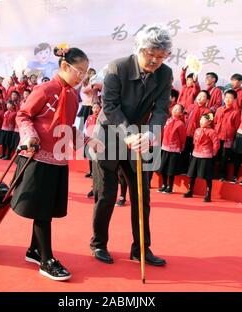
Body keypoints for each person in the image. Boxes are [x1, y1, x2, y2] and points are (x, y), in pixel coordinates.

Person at [12, 45, 99, 281]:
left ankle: (34, 249)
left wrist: (88, 141)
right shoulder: (45, 89)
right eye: (79, 71)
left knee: (47, 207)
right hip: (37, 157)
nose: (82, 77)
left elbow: (68, 127)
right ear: (64, 66)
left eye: (85, 72)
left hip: (58, 160)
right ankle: (46, 260)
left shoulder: (72, 95)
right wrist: (29, 135)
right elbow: (23, 115)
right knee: (42, 211)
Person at [90, 24, 172, 266]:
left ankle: (141, 249)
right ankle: (99, 244)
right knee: (106, 194)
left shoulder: (165, 74)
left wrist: (152, 133)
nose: (155, 61)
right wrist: (127, 133)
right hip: (109, 135)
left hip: (141, 138)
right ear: (139, 49)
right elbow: (110, 106)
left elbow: (161, 109)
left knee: (141, 195)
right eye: (151, 55)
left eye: (161, 56)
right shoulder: (118, 67)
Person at [183, 114, 219, 202]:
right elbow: (194, 141)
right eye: (201, 120)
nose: (201, 122)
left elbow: (216, 144)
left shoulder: (212, 132)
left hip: (206, 156)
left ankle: (208, 194)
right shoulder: (197, 130)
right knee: (192, 174)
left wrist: (213, 153)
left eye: (204, 120)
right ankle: (190, 190)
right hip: (196, 154)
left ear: (209, 122)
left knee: (207, 176)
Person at [158, 104, 186, 194]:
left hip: (174, 149)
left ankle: (170, 186)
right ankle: (164, 184)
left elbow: (182, 137)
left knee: (171, 169)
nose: (175, 110)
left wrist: (181, 147)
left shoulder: (181, 124)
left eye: (178, 109)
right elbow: (162, 132)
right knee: (163, 167)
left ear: (181, 113)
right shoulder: (167, 120)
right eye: (174, 108)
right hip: (164, 147)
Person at [214, 89, 241, 181]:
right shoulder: (219, 109)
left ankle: (222, 175)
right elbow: (215, 122)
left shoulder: (236, 112)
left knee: (224, 157)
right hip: (217, 136)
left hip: (227, 138)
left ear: (234, 100)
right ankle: (212, 173)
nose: (228, 99)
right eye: (226, 97)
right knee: (215, 155)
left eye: (231, 98)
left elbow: (237, 126)